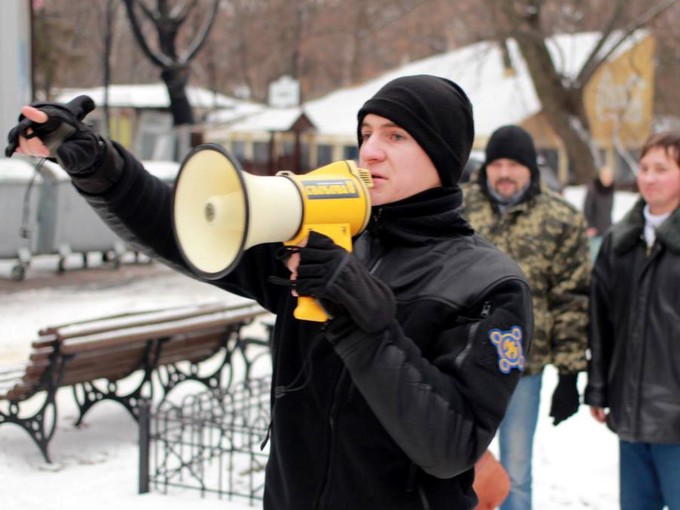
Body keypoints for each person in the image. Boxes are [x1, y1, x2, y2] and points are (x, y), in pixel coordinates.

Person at [6, 75, 533, 509]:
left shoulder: (490, 284)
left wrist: (362, 324)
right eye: (366, 132)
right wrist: (98, 165)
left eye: (395, 136)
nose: (370, 151)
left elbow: (450, 447)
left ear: (442, 155)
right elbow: (183, 229)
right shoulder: (323, 238)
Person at [461, 125, 590, 510]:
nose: (503, 172)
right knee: (456, 465)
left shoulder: (561, 219)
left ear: (531, 169)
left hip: (522, 369)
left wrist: (568, 373)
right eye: (496, 163)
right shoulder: (458, 207)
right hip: (458, 362)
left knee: (516, 474)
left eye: (513, 164)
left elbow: (572, 298)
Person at [585, 131, 680, 510]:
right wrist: (598, 386)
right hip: (631, 412)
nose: (650, 177)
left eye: (662, 168)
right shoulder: (619, 241)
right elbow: (601, 321)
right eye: (644, 168)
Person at [583, 165, 615, 259]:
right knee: (595, 257)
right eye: (605, 176)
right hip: (594, 231)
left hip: (606, 229)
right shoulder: (593, 190)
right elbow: (587, 209)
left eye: (609, 177)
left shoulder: (610, 190)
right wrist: (590, 226)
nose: (607, 179)